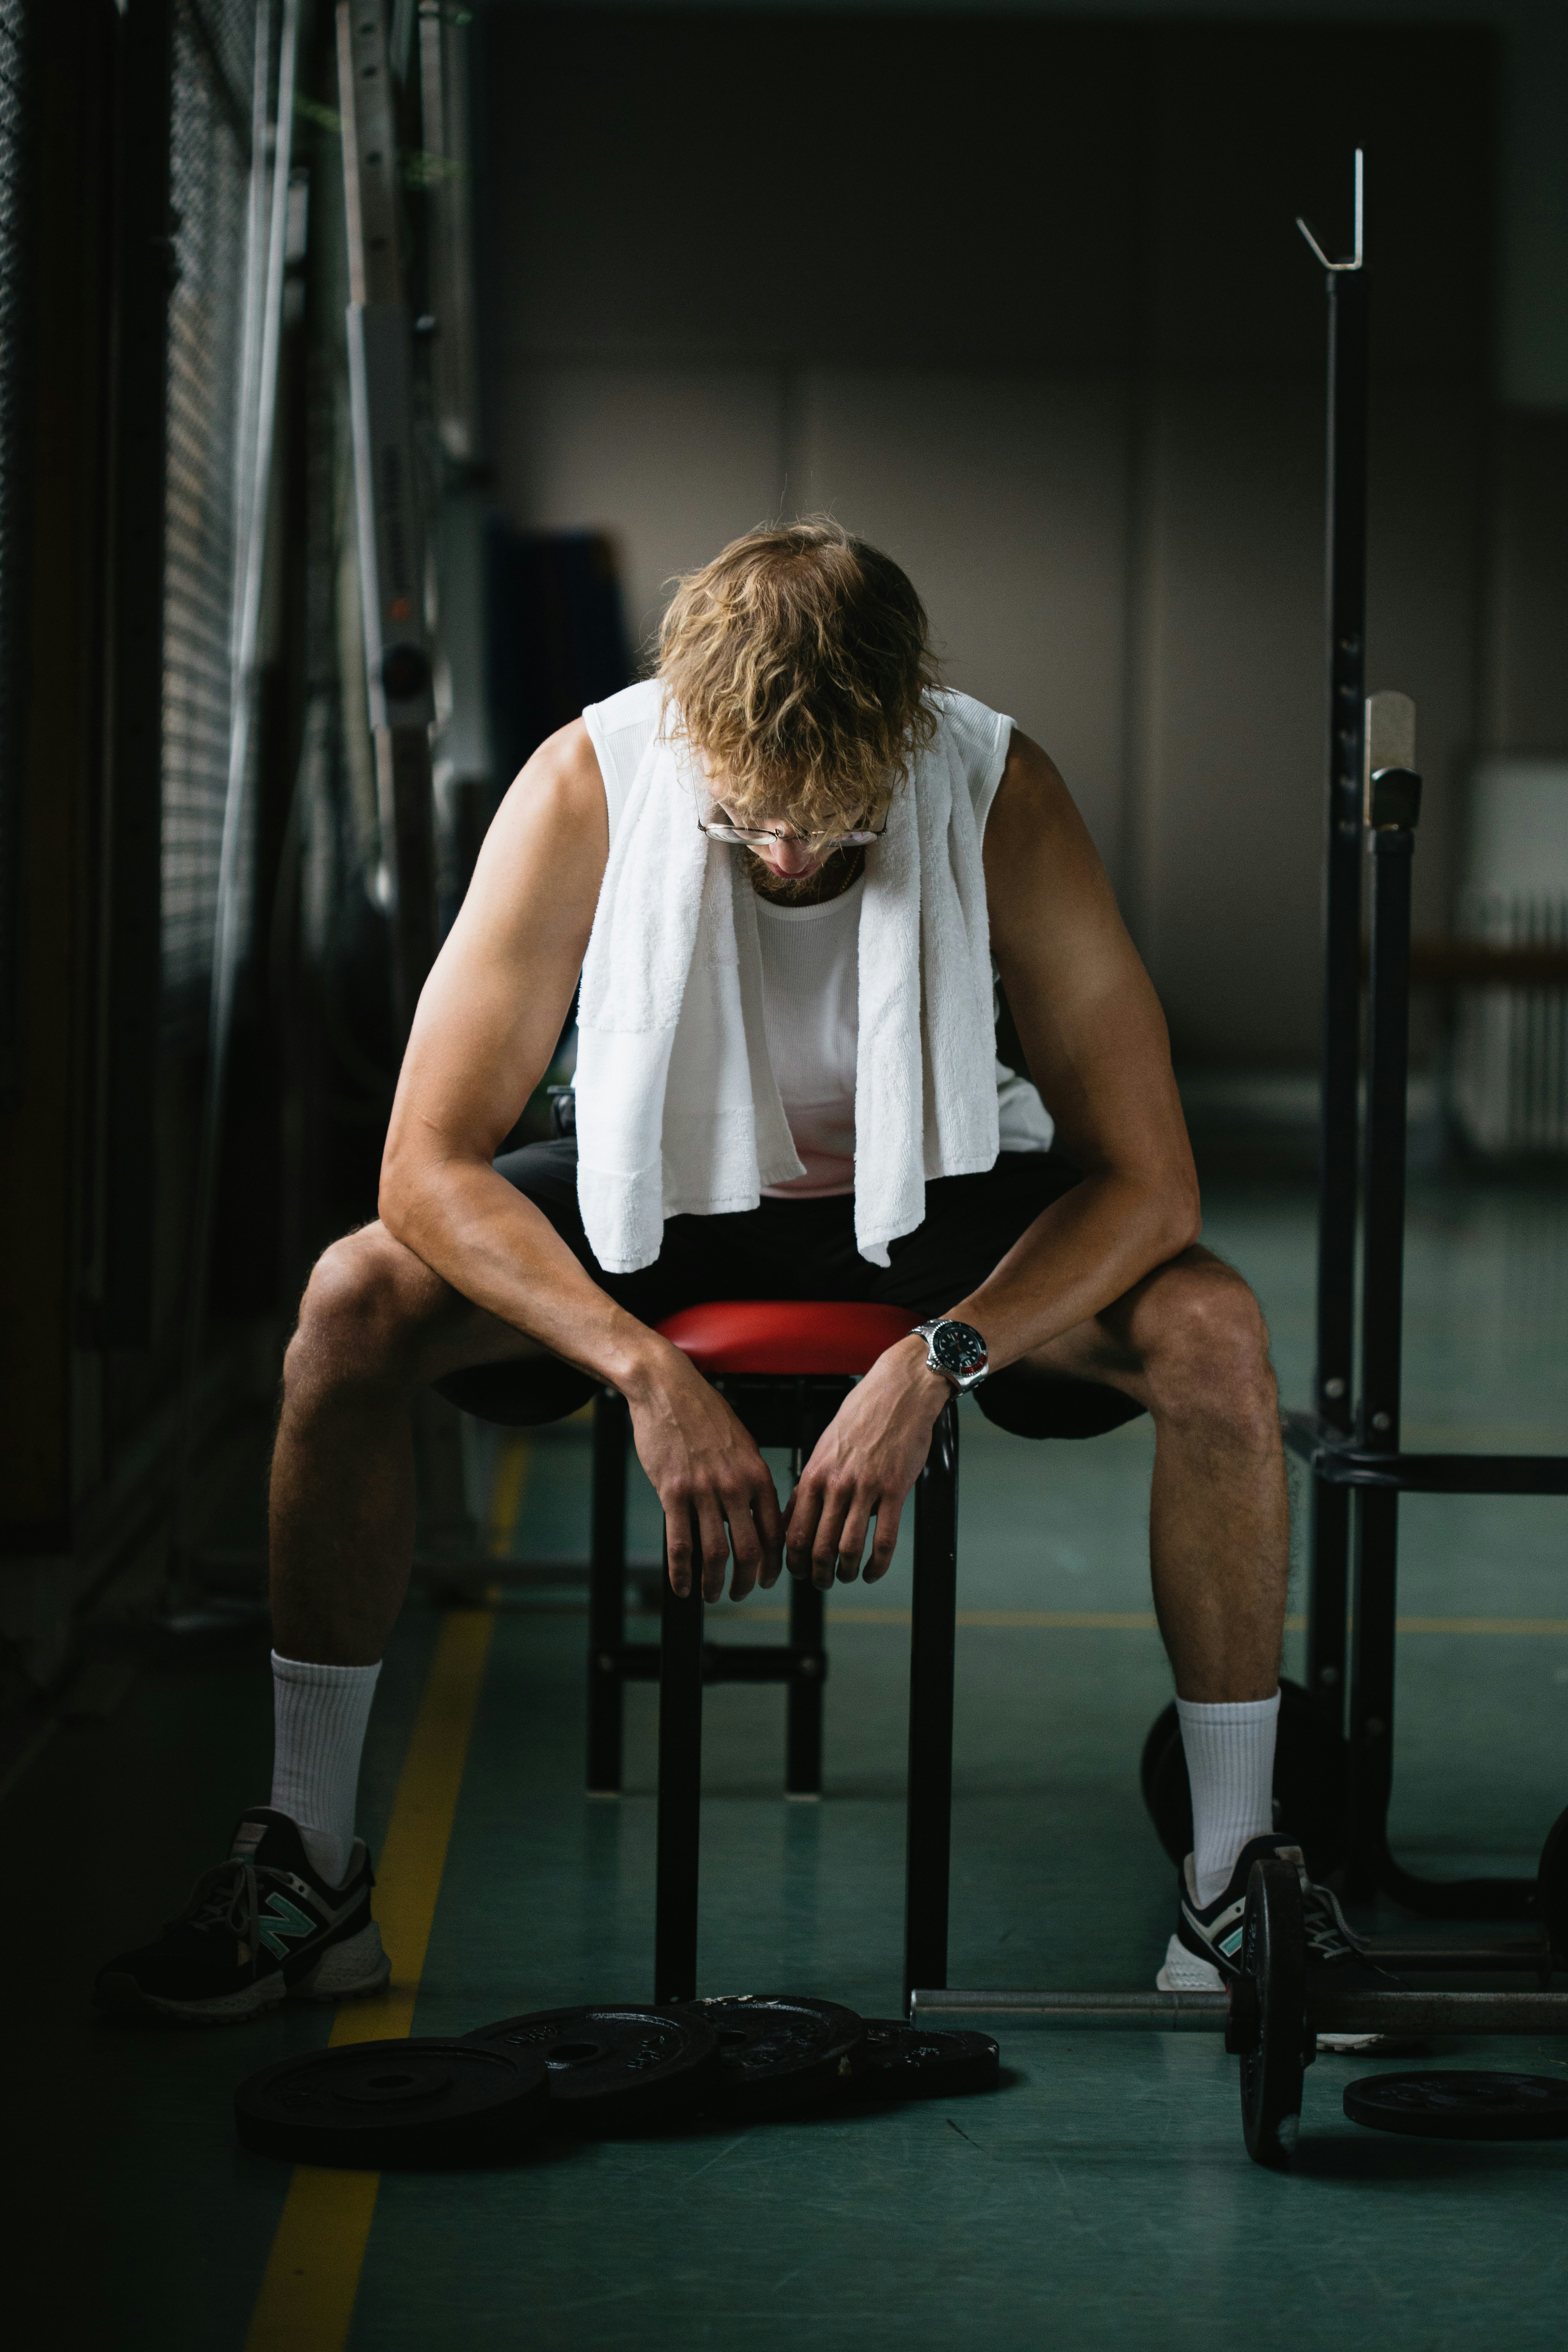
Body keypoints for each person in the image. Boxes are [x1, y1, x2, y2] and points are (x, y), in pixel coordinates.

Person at [96, 519, 1343, 2025]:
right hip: (660, 1188)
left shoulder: (996, 786)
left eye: (834, 824)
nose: (790, 858)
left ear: (902, 738)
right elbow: (422, 1165)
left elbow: (1150, 1183)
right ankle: (307, 1865)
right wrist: (643, 1368)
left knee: (1213, 1329)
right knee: (351, 1305)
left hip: (932, 1187)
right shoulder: (590, 781)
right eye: (752, 822)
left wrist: (936, 1359)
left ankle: (1228, 1880)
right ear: (695, 741)